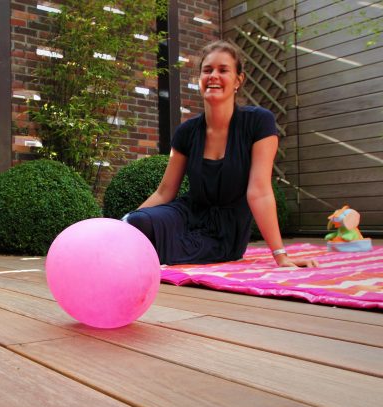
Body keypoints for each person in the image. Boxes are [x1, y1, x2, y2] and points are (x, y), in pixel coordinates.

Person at [123, 40, 317, 268]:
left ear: (238, 80)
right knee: (136, 223)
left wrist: (280, 255)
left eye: (223, 70)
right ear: (199, 79)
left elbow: (260, 192)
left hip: (225, 231)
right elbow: (165, 192)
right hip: (188, 214)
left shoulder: (259, 122)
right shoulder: (186, 132)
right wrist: (121, 229)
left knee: (158, 250)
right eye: (207, 70)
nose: (214, 75)